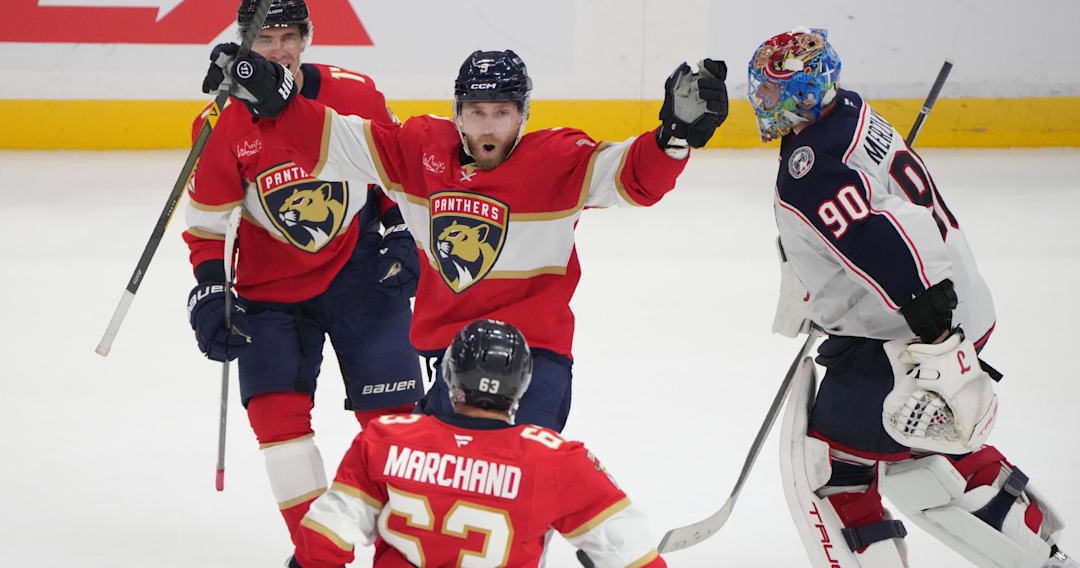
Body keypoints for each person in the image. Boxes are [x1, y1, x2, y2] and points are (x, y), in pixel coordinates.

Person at [197, 45, 729, 434]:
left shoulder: (559, 161)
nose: (489, 126)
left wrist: (673, 138)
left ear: (524, 114)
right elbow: (336, 139)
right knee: (436, 493)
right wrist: (277, 100)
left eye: (503, 112)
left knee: (517, 481)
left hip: (535, 356)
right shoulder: (417, 152)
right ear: (457, 112)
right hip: (451, 359)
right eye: (477, 112)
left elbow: (633, 178)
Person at [755, 28, 1077, 567]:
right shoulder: (851, 112)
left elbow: (876, 235)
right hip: (953, 304)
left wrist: (933, 333)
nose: (761, 102)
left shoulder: (811, 169)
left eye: (769, 92)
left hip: (913, 327)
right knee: (929, 444)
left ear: (803, 94)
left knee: (834, 466)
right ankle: (1039, 543)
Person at [183, 0, 424, 547]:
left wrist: (400, 232)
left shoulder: (355, 93)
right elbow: (209, 226)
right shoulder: (219, 122)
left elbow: (395, 173)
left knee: (397, 422)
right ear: (243, 42)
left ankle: (403, 551)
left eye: (289, 36)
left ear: (307, 38)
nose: (278, 50)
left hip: (360, 276)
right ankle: (321, 551)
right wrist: (211, 289)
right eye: (263, 38)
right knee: (277, 423)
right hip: (269, 293)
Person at [286, 319, 667, 568]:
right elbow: (634, 558)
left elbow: (321, 542)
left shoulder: (384, 439)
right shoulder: (558, 460)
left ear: (450, 377)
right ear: (522, 385)